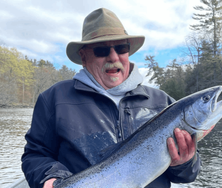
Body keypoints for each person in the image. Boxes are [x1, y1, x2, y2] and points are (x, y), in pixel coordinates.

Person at [21, 8, 201, 188]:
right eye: (101, 50)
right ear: (84, 57)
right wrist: (52, 179)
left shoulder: (163, 102)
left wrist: (184, 163)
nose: (113, 57)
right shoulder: (54, 99)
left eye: (122, 48)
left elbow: (186, 176)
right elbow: (36, 155)